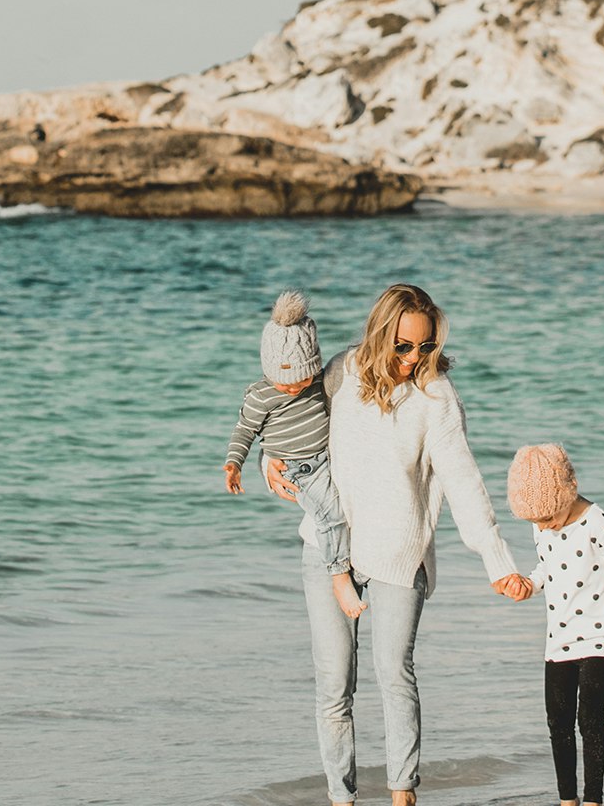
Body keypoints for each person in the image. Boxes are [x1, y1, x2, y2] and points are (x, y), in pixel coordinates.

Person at [264, 283, 527, 806]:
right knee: (333, 684)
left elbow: (462, 481)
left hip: (400, 553)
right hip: (327, 548)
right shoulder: (340, 371)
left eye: (425, 347)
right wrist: (269, 458)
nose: (413, 358)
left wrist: (497, 561)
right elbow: (292, 419)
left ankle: (402, 793)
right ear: (382, 335)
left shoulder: (436, 397)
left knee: (393, 674)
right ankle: (342, 798)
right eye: (404, 346)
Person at [506, 444, 604, 806]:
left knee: (590, 718)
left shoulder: (600, 523)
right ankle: (567, 799)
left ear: (568, 491)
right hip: (558, 638)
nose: (545, 526)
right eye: (537, 522)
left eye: (550, 518)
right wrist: (529, 585)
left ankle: (593, 799)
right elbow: (546, 569)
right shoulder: (543, 525)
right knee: (557, 723)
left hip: (601, 636)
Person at [224, 291, 365, 619]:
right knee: (330, 515)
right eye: (282, 382)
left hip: (326, 458)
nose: (290, 388)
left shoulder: (319, 382)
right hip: (296, 469)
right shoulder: (262, 396)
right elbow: (244, 431)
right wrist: (235, 463)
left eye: (299, 380)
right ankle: (338, 574)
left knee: (345, 506)